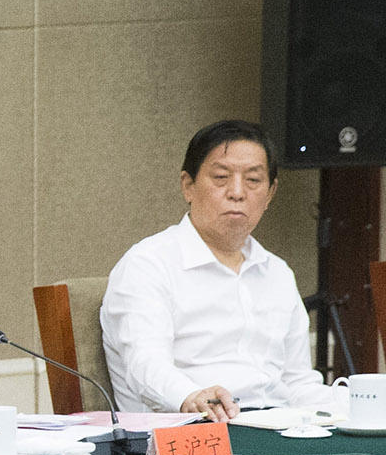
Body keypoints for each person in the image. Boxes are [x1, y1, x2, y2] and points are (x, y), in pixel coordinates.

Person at [99, 119, 321, 422]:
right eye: (221, 177)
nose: (237, 192)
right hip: (191, 430)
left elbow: (297, 383)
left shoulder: (277, 273)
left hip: (276, 426)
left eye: (253, 180)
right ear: (188, 186)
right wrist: (190, 397)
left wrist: (367, 402)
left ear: (270, 193)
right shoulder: (148, 265)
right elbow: (145, 364)